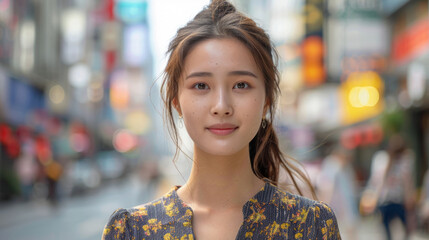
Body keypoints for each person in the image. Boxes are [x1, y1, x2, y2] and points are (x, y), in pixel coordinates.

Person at [102, 1, 341, 239]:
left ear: (266, 99)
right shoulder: (131, 230)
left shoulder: (312, 225)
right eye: (201, 86)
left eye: (241, 85)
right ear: (176, 101)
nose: (221, 106)